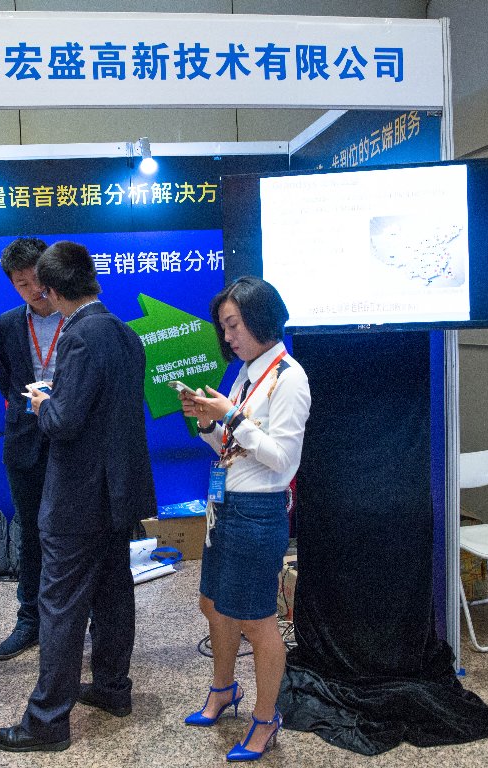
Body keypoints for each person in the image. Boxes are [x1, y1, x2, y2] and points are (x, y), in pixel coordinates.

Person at [0, 241, 156, 753]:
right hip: (116, 492)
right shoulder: (124, 332)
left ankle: (46, 722)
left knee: (59, 604)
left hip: (78, 497)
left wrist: (43, 403)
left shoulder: (79, 338)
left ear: (54, 289)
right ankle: (112, 688)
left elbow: (64, 422)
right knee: (113, 592)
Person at [178, 276, 311, 762]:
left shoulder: (289, 377)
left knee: (258, 622)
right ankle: (223, 689)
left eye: (233, 325)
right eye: (224, 326)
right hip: (225, 507)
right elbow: (233, 448)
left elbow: (283, 461)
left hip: (257, 513)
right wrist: (209, 422)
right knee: (213, 605)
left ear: (260, 319)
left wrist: (231, 416)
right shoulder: (247, 373)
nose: (228, 336)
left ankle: (266, 718)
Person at [0, 236, 58, 661]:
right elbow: (7, 382)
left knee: (77, 534)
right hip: (24, 442)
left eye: (38, 279)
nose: (34, 290)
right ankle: (29, 619)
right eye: (22, 284)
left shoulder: (77, 317)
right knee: (30, 534)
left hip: (72, 440)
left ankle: (84, 615)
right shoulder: (8, 324)